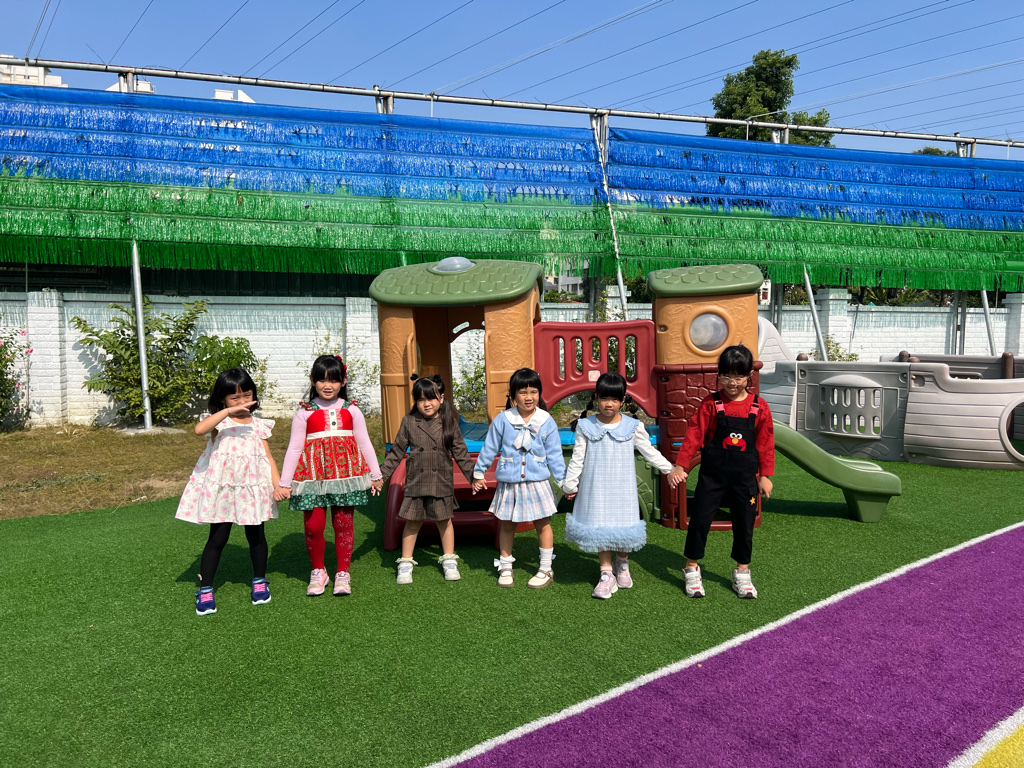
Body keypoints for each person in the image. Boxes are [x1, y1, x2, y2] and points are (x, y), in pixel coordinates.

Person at [561, 372, 687, 599]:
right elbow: (578, 458)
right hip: (596, 488)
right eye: (604, 398)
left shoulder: (632, 426)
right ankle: (606, 573)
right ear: (596, 397)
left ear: (623, 400)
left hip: (623, 488)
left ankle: (622, 561)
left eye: (615, 399)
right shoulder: (586, 425)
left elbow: (649, 451)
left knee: (624, 526)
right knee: (599, 527)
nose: (609, 404)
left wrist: (669, 469)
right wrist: (570, 485)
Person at [674, 344, 775, 599]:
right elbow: (694, 433)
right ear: (718, 375)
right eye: (726, 376)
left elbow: (766, 442)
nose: (732, 382)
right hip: (712, 477)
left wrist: (765, 476)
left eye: (739, 376)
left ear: (749, 376)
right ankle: (691, 568)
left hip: (745, 480)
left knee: (745, 524)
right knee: (699, 521)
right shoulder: (711, 403)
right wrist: (681, 465)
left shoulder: (759, 406)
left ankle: (742, 572)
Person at [176, 368, 280, 616]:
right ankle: (205, 588)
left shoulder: (258, 425)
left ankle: (259, 580)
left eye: (247, 395)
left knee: (256, 536)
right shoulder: (218, 422)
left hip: (251, 490)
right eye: (235, 398)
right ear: (222, 399)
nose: (242, 402)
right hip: (223, 490)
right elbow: (199, 430)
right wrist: (227, 411)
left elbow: (267, 456)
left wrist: (278, 484)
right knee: (217, 538)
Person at [277, 354, 383, 597]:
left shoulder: (352, 410)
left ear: (343, 381)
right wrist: (284, 482)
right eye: (322, 380)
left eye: (334, 380)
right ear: (312, 380)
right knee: (313, 526)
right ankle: (318, 571)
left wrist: (375, 474)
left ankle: (342, 573)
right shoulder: (304, 412)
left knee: (343, 524)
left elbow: (364, 442)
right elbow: (294, 448)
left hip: (346, 477)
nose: (328, 385)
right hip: (312, 477)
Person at [380, 375, 480, 584]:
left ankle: (449, 559)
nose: (426, 403)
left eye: (431, 398)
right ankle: (406, 562)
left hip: (440, 481)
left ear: (441, 399)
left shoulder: (449, 423)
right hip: (416, 481)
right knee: (413, 522)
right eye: (421, 399)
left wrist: (474, 477)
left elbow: (461, 453)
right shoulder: (409, 422)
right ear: (416, 402)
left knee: (444, 521)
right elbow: (396, 452)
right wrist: (380, 476)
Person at [471, 368, 566, 588]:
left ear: (539, 394)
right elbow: (489, 448)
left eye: (534, 392)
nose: (529, 397)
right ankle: (505, 565)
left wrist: (563, 481)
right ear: (513, 395)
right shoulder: (503, 420)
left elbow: (554, 454)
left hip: (537, 482)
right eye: (523, 392)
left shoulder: (546, 420)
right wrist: (478, 473)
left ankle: (545, 568)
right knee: (507, 524)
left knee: (542, 523)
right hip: (510, 483)